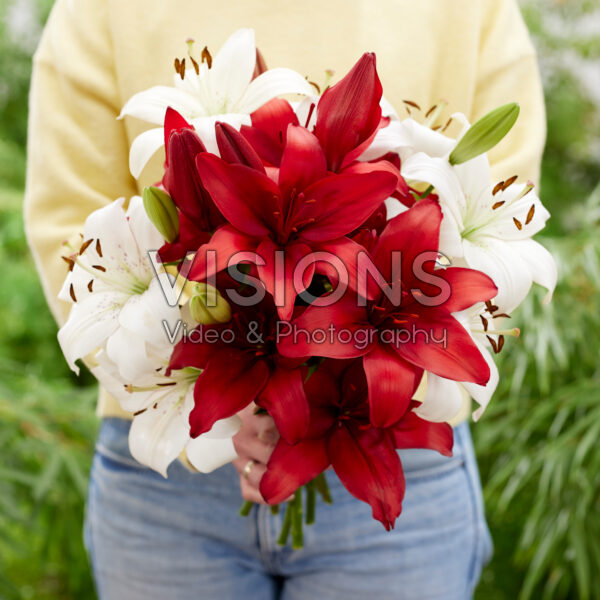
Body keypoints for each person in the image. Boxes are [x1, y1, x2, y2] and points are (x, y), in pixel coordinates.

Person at [24, 0, 546, 598]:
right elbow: (69, 230)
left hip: (394, 444)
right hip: (167, 478)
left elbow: (502, 228)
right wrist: (219, 397)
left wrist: (338, 384)